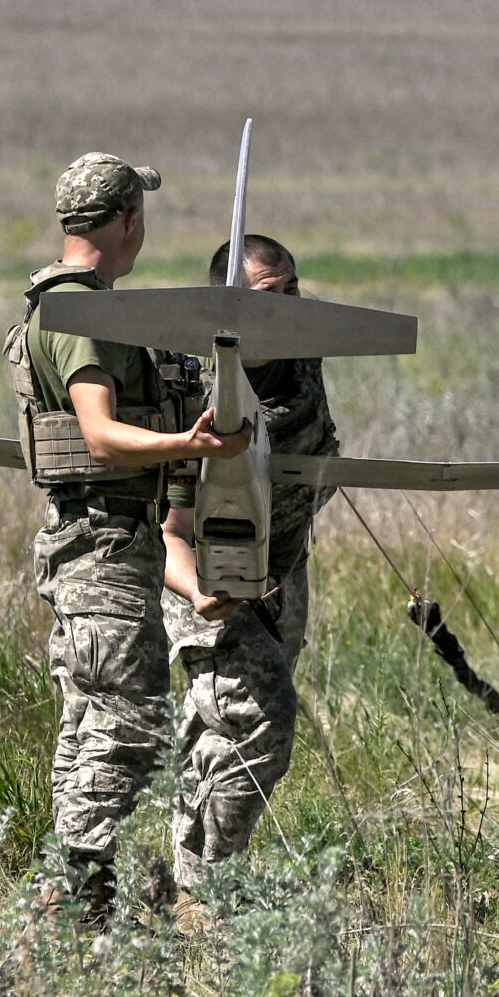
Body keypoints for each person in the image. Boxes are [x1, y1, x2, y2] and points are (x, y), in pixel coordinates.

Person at [6, 152, 250, 924]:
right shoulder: (84, 316)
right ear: (127, 221)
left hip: (100, 541)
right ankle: (72, 894)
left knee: (88, 722)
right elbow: (103, 437)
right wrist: (194, 448)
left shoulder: (61, 304)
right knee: (131, 722)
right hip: (104, 545)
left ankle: (73, 900)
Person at [159, 233, 340, 894]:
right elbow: (168, 530)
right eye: (271, 296)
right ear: (225, 308)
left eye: (294, 289)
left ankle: (181, 888)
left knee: (221, 731)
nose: (290, 307)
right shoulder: (192, 390)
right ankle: (211, 887)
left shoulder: (306, 358)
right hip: (210, 575)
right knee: (265, 721)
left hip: (284, 572)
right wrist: (202, 595)